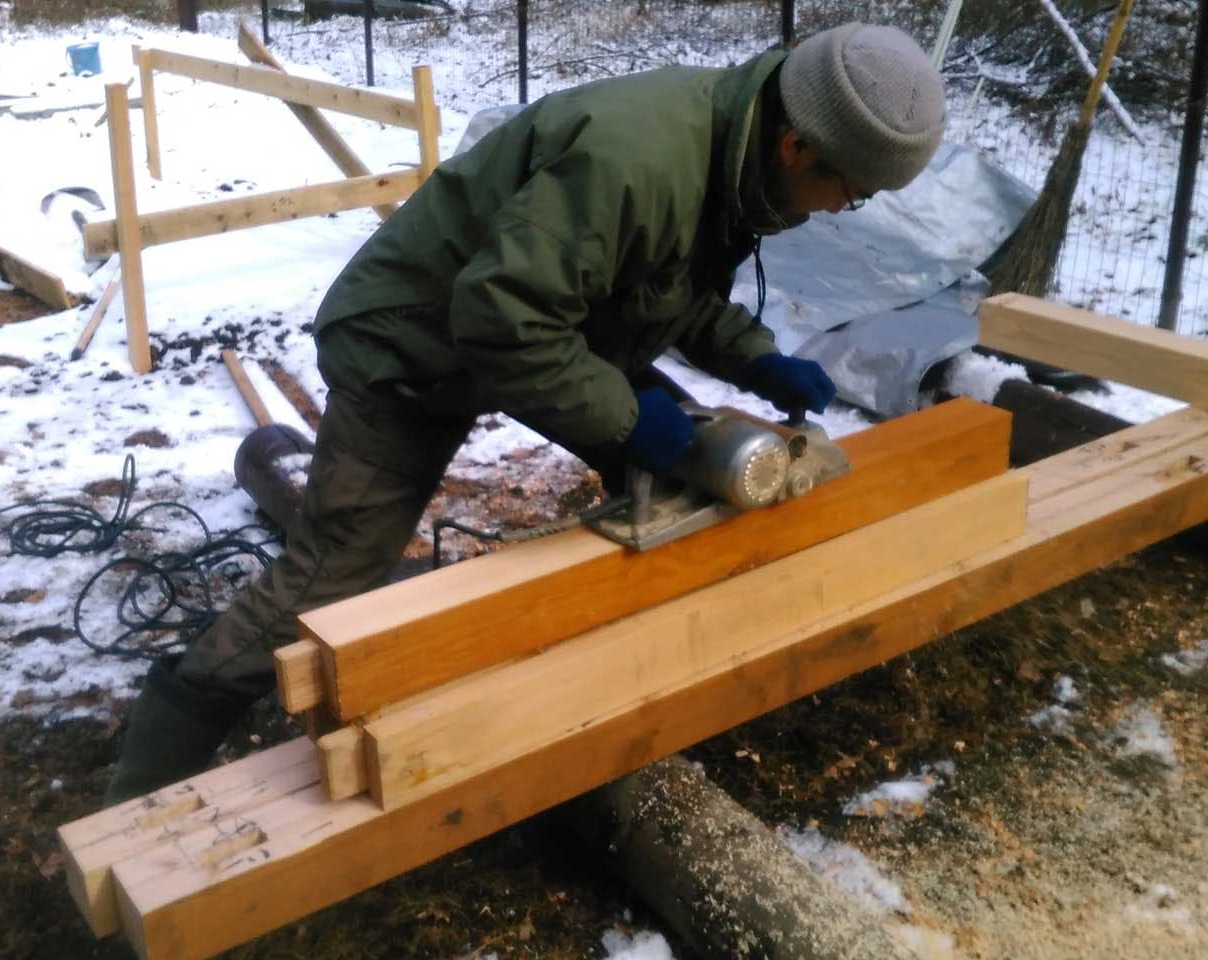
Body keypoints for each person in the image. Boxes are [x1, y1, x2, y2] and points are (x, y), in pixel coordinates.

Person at [104, 21, 947, 804]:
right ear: (799, 145)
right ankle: (151, 773)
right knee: (335, 571)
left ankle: (641, 680)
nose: (843, 208)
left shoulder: (739, 143)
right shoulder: (641, 157)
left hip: (544, 326)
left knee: (689, 473)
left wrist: (755, 356)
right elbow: (501, 319)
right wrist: (624, 418)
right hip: (412, 344)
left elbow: (663, 284)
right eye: (853, 191)